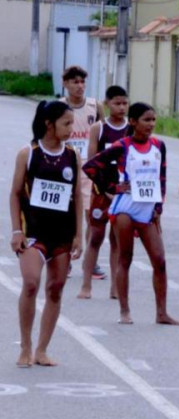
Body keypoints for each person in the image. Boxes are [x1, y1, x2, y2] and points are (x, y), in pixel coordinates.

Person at [83, 103, 179, 326]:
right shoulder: (123, 145)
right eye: (146, 120)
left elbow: (162, 178)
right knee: (125, 258)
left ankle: (162, 313)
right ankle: (125, 310)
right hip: (125, 208)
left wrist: (159, 208)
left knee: (160, 261)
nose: (151, 124)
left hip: (148, 210)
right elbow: (90, 166)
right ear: (133, 122)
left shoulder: (159, 145)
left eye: (154, 120)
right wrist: (113, 187)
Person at [10, 101, 82, 367]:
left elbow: (76, 197)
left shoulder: (73, 156)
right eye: (66, 123)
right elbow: (15, 194)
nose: (71, 129)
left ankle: (42, 349)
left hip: (62, 234)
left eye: (73, 123)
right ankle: (25, 346)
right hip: (33, 233)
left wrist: (78, 235)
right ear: (49, 124)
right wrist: (17, 230)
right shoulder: (28, 153)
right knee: (31, 283)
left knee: (55, 289)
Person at [77, 86, 129, 300]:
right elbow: (91, 163)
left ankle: (115, 288)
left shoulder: (131, 129)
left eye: (125, 103)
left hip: (123, 191)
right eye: (117, 103)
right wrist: (106, 189)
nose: (122, 107)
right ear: (107, 104)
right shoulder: (99, 128)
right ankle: (86, 284)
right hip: (101, 191)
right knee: (96, 237)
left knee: (117, 239)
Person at [61, 65, 105, 280]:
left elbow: (104, 136)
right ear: (66, 84)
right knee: (67, 215)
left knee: (91, 215)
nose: (79, 86)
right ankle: (65, 258)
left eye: (82, 82)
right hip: (64, 167)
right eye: (74, 82)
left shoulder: (95, 106)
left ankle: (91, 260)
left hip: (89, 168)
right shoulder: (57, 107)